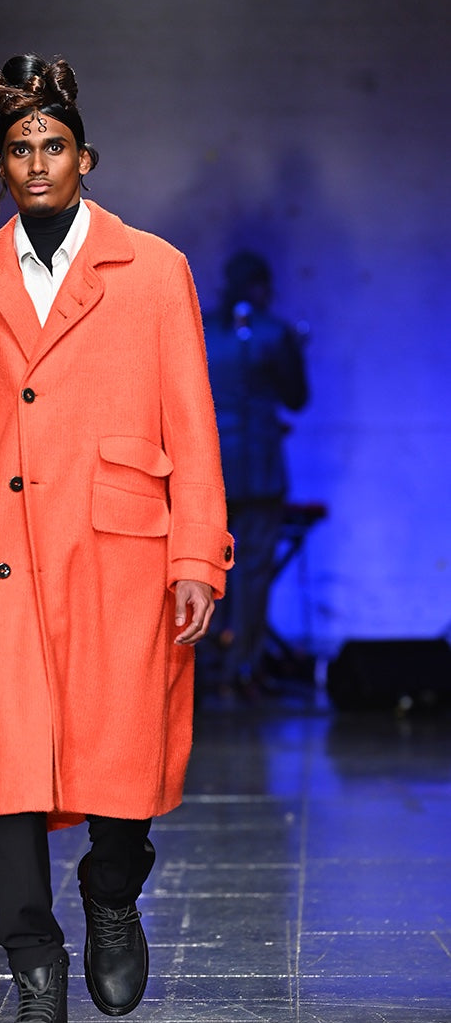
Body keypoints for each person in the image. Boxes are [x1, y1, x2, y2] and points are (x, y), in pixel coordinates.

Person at [0, 53, 233, 1023]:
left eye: (53, 145)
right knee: (6, 772)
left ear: (85, 159)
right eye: (19, 147)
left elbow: (192, 423)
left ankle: (111, 884)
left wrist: (196, 554)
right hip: (0, 558)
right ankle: (36, 994)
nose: (37, 161)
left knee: (121, 759)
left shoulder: (155, 271)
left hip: (121, 553)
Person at [201, 251, 309, 698]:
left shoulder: (202, 329)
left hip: (208, 467)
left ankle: (203, 666)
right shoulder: (274, 332)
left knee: (204, 568)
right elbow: (297, 397)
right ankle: (243, 667)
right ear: (262, 287)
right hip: (260, 470)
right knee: (253, 572)